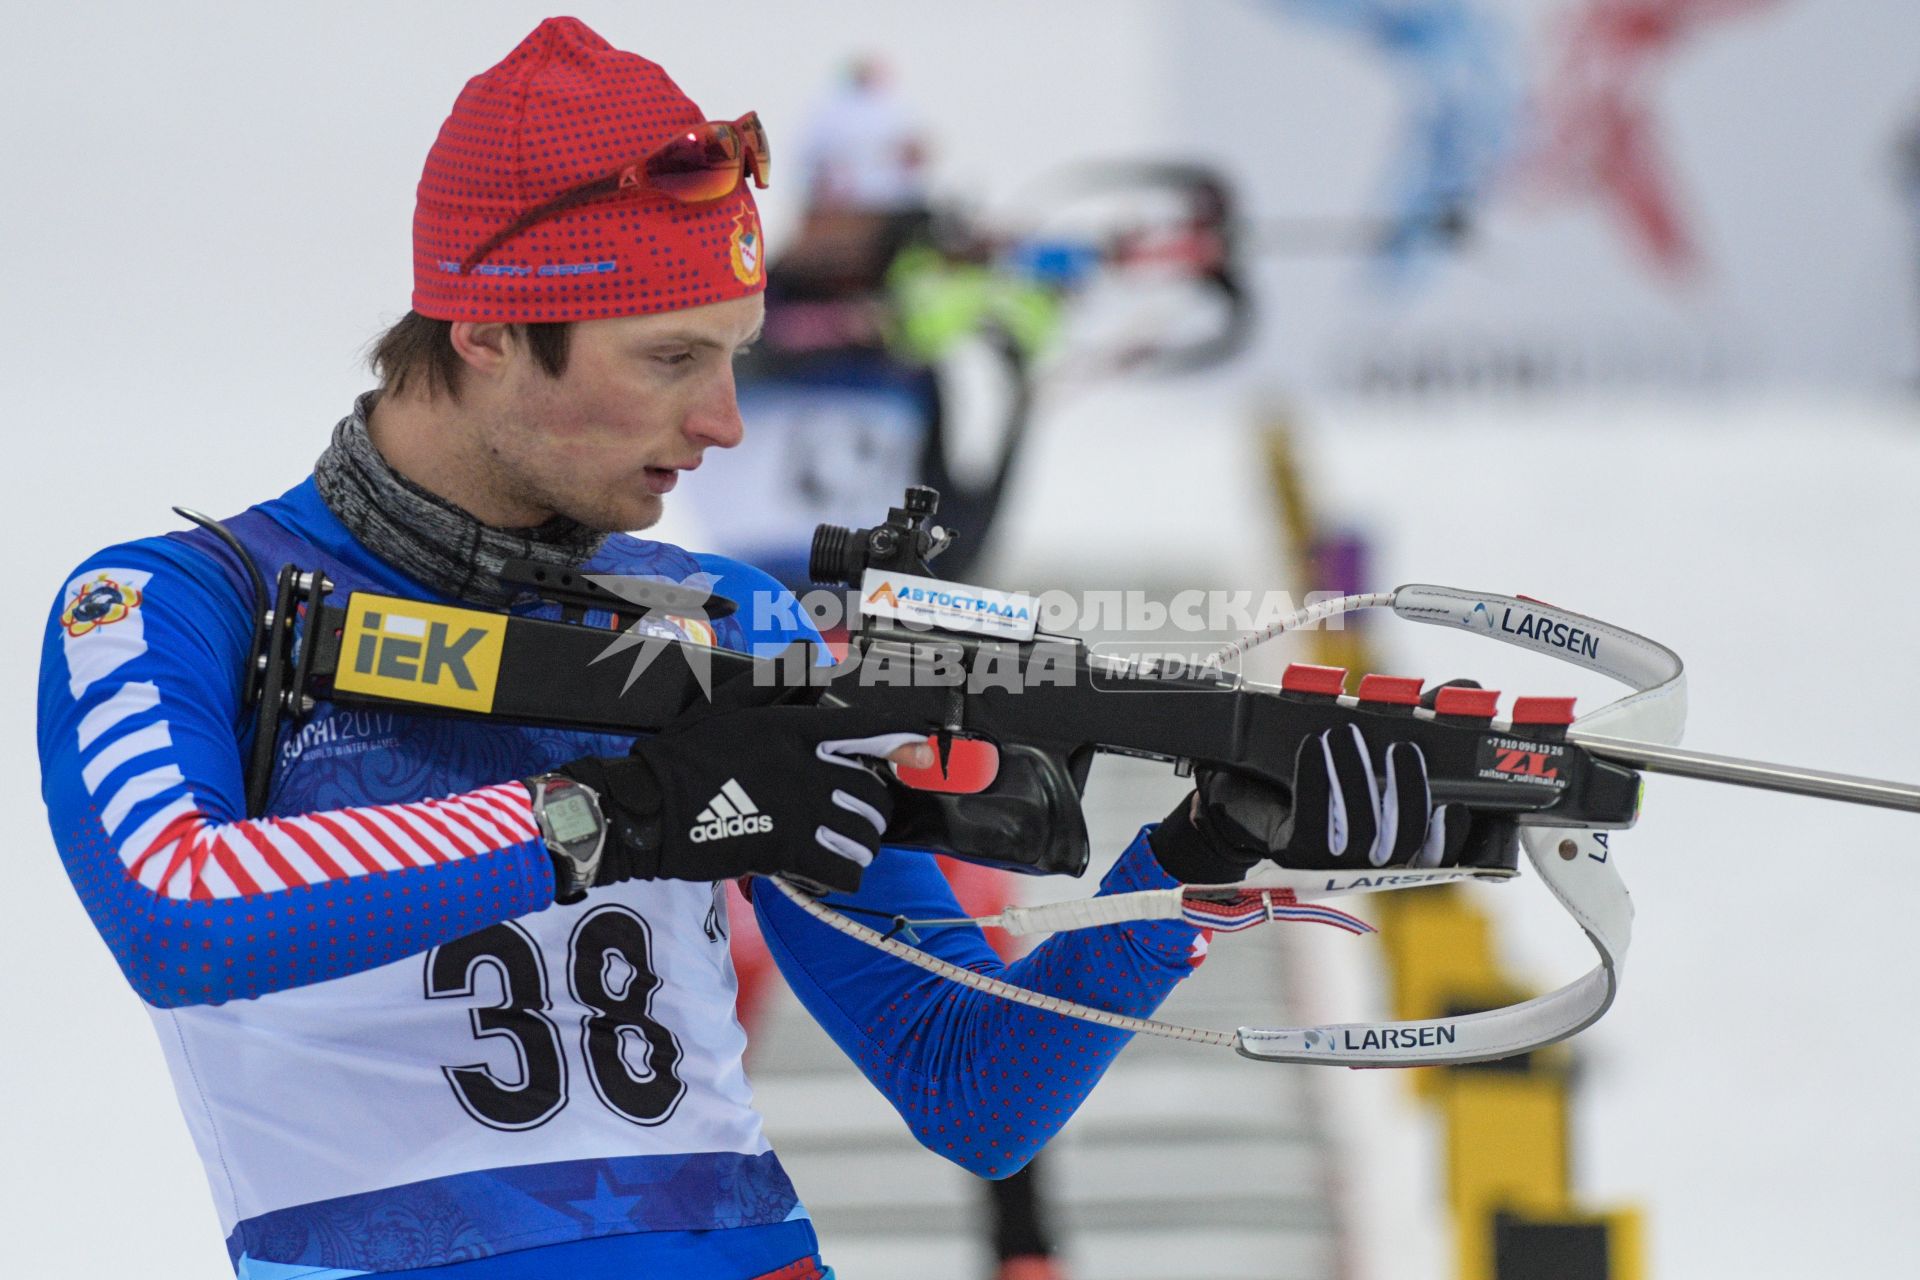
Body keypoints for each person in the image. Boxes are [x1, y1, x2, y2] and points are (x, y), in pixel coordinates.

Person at [37, 18, 1486, 1280]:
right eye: (670, 358)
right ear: (484, 327)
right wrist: (626, 815)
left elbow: (967, 1084)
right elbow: (181, 914)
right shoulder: (179, 603)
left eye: (734, 352)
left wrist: (1187, 870)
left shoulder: (732, 621)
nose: (723, 420)